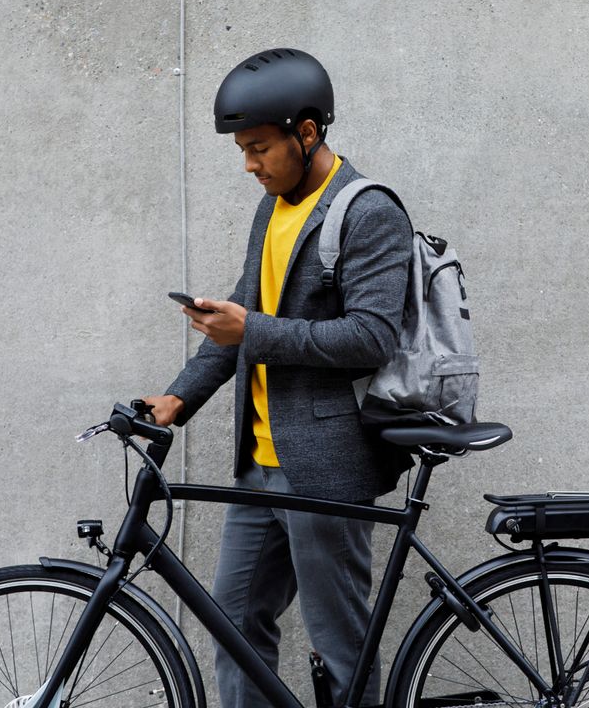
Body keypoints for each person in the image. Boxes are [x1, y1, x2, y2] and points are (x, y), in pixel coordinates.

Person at [141, 48, 413, 708]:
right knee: (232, 627)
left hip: (324, 466)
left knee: (341, 648)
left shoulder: (368, 211)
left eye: (259, 147)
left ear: (308, 132)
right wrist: (178, 399)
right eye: (243, 149)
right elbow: (240, 317)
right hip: (258, 468)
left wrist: (252, 333)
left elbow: (373, 336)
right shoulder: (272, 209)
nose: (250, 165)